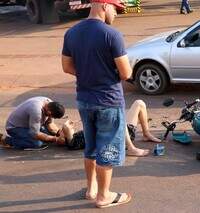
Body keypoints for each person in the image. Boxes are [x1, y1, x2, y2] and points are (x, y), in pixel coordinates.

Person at [61, 0, 132, 209]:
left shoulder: (71, 33)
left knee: (90, 147)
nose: (116, 14)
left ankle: (91, 189)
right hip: (108, 101)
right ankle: (103, 196)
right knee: (107, 150)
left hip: (84, 99)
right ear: (104, 5)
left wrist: (87, 74)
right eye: (115, 9)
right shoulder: (112, 34)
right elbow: (126, 73)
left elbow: (66, 66)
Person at [0, 97, 65, 150]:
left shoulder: (50, 104)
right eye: (52, 116)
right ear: (49, 112)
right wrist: (56, 139)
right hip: (15, 128)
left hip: (31, 125)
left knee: (48, 137)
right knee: (36, 144)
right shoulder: (36, 111)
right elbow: (35, 133)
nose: (51, 117)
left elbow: (49, 123)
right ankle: (6, 140)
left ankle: (24, 137)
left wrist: (59, 133)